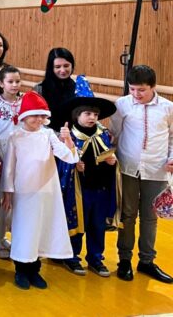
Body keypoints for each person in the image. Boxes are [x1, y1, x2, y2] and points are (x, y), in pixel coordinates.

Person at [2, 91, 78, 290]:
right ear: (25, 116)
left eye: (42, 116)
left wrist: (68, 141)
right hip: (24, 192)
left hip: (46, 191)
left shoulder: (48, 134)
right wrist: (8, 192)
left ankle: (34, 269)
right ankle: (21, 269)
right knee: (24, 230)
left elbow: (69, 157)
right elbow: (9, 167)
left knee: (41, 229)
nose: (38, 120)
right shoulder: (15, 136)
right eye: (34, 115)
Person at [110, 65, 173, 284]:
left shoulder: (168, 108)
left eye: (142, 90)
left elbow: (172, 137)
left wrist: (172, 157)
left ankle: (146, 261)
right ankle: (124, 260)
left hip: (157, 169)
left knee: (150, 217)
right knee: (127, 215)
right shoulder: (122, 105)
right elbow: (115, 133)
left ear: (153, 87)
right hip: (128, 168)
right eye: (132, 89)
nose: (136, 94)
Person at [55, 76, 120, 278]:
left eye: (95, 114)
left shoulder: (103, 134)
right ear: (77, 115)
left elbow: (108, 154)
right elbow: (60, 163)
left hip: (100, 188)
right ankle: (72, 256)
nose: (92, 117)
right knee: (77, 224)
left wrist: (112, 163)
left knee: (97, 225)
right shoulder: (69, 136)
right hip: (78, 190)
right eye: (87, 113)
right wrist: (74, 166)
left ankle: (95, 257)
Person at [0, 66, 22, 259]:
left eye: (17, 81)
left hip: (22, 152)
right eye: (10, 81)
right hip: (1, 150)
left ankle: (9, 236)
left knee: (16, 197)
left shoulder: (25, 102)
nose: (14, 85)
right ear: (1, 83)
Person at [33, 47, 76, 128]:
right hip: (45, 133)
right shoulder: (39, 89)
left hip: (71, 134)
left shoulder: (78, 88)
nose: (62, 70)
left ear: (72, 66)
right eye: (57, 67)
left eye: (66, 66)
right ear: (51, 68)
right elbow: (34, 118)